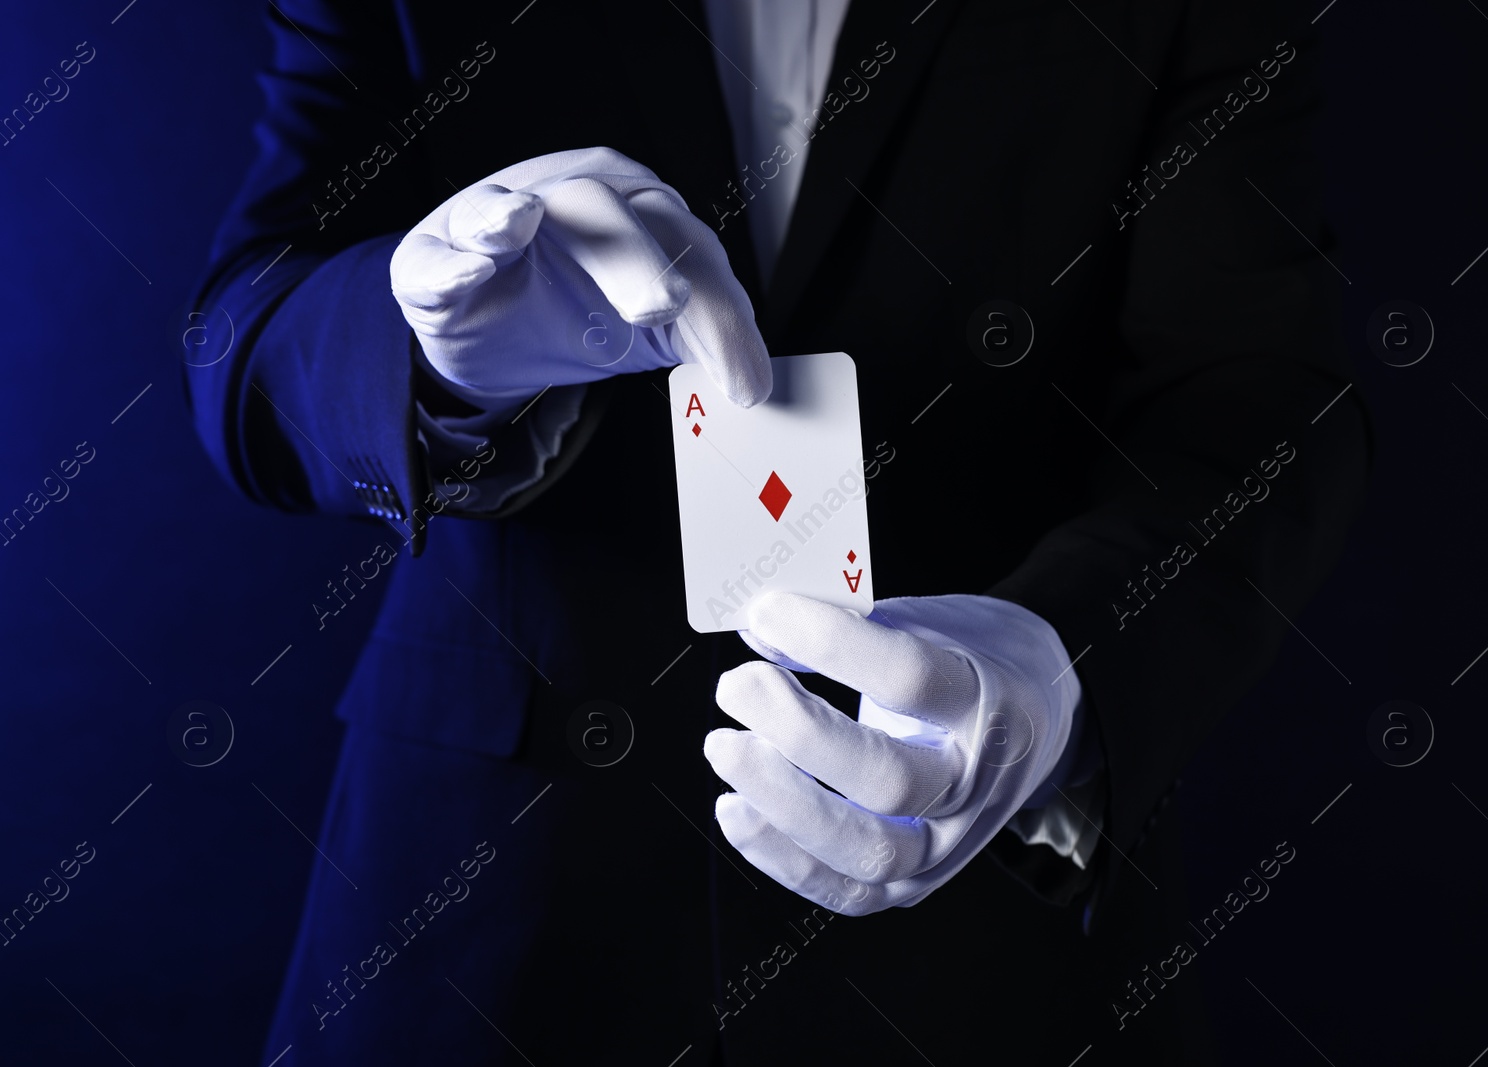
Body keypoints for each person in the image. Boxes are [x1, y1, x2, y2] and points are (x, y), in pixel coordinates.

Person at [185, 1, 1370, 1063]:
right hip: (494, 893)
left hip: (985, 913)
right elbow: (244, 342)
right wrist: (432, 348)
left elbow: (1259, 398)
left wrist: (1063, 662)